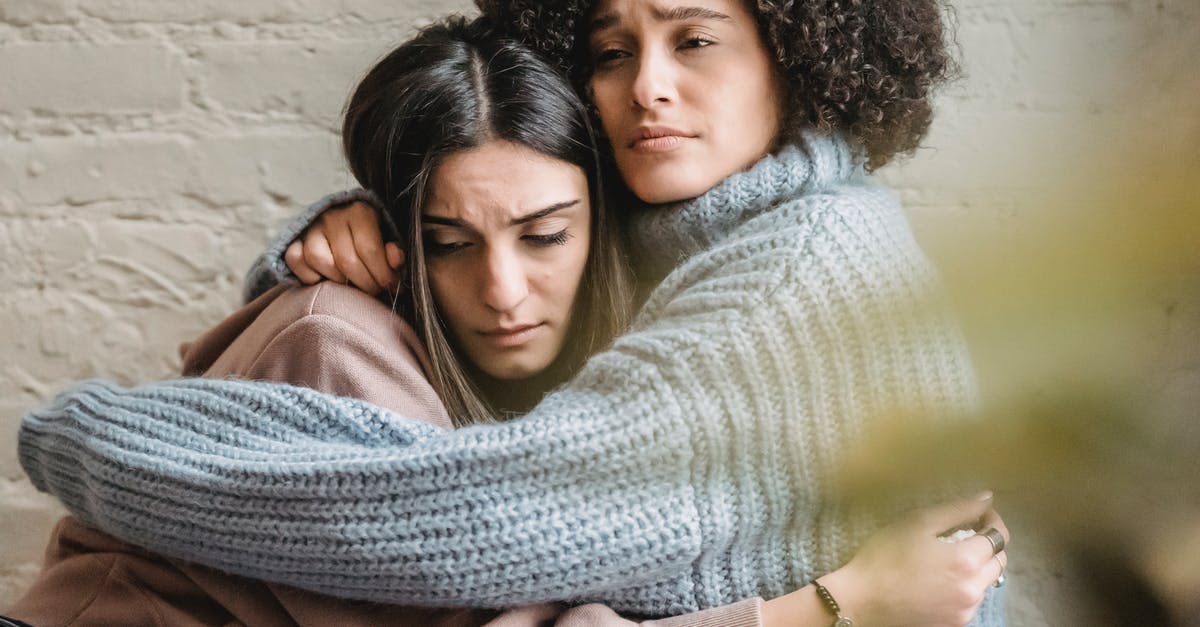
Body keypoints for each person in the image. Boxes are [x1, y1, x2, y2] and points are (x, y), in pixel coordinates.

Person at [16, 1, 1008, 625]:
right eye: (610, 49)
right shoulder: (669, 224)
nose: (647, 88)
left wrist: (100, 444)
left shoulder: (794, 269)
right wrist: (344, 232)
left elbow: (473, 517)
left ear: (800, 48)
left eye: (695, 38)